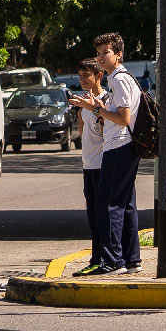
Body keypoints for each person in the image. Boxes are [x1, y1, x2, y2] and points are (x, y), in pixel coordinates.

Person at [69, 32, 142, 276]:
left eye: (105, 53)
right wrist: (94, 108)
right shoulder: (124, 77)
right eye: (99, 53)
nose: (100, 57)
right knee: (125, 204)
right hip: (125, 146)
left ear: (118, 54)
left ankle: (113, 261)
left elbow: (123, 119)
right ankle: (131, 259)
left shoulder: (118, 80)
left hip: (118, 145)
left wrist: (97, 110)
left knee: (107, 204)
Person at [70, 58, 107, 273]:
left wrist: (94, 110)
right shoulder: (83, 102)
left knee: (103, 214)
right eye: (80, 75)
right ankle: (96, 258)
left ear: (99, 76)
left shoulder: (106, 100)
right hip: (89, 164)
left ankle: (105, 258)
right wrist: (81, 114)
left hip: (103, 164)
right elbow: (84, 136)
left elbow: (107, 132)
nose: (83, 80)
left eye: (87, 75)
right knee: (93, 215)